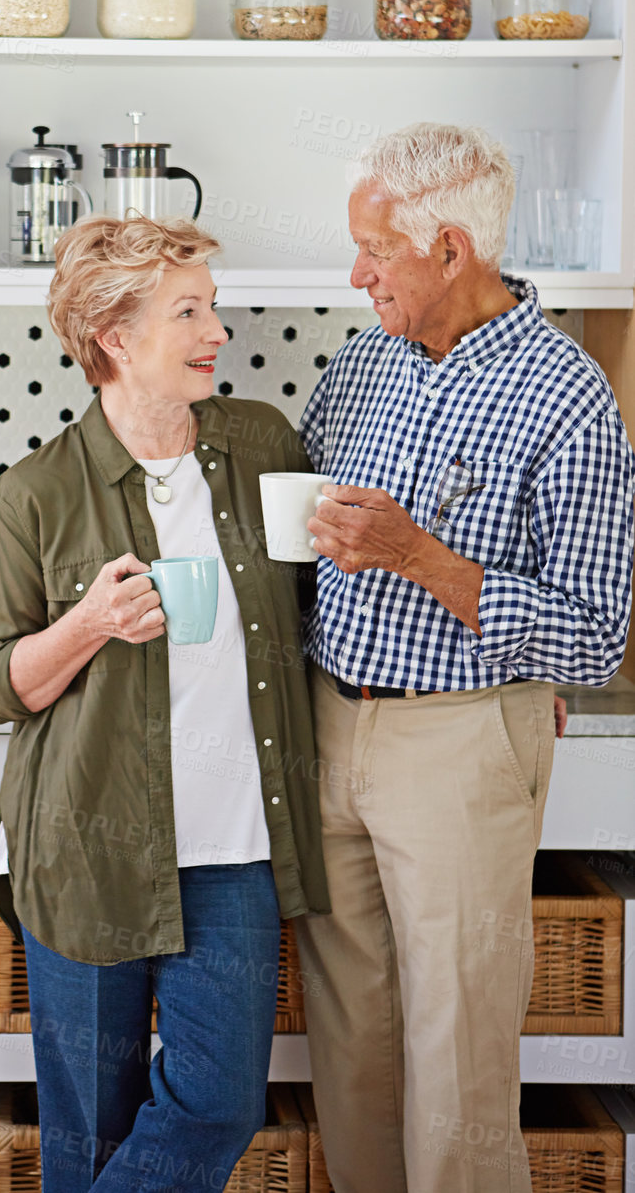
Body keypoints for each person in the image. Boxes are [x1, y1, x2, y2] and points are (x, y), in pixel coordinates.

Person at [296, 122, 635, 1193]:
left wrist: (418, 557)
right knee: (348, 1047)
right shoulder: (359, 364)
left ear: (448, 248)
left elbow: (591, 630)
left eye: (373, 252)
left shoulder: (565, 394)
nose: (355, 276)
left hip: (457, 739)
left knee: (457, 1054)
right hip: (328, 720)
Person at [0, 214, 328, 1193]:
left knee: (219, 1100)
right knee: (86, 1129)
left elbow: (321, 600)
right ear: (113, 337)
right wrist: (86, 624)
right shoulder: (34, 493)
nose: (216, 328)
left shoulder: (259, 442)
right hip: (85, 847)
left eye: (209, 305)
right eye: (188, 310)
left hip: (234, 849)